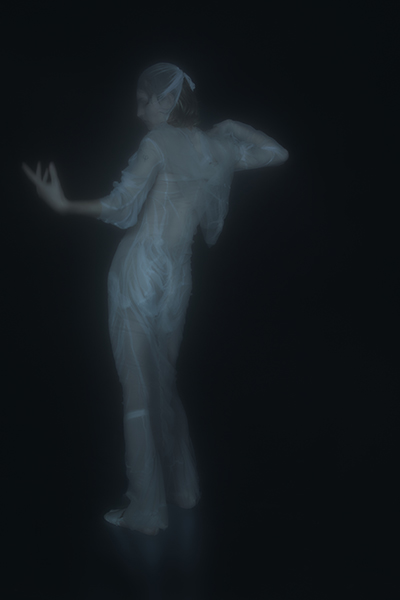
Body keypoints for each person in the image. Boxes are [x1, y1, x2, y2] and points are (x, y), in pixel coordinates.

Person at [22, 62, 289, 536]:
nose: (138, 110)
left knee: (138, 388)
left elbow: (120, 205)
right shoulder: (218, 148)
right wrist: (232, 126)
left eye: (144, 99)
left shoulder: (158, 143)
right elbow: (277, 152)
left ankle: (146, 509)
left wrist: (63, 205)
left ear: (167, 101)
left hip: (139, 273)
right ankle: (182, 488)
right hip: (177, 282)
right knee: (162, 380)